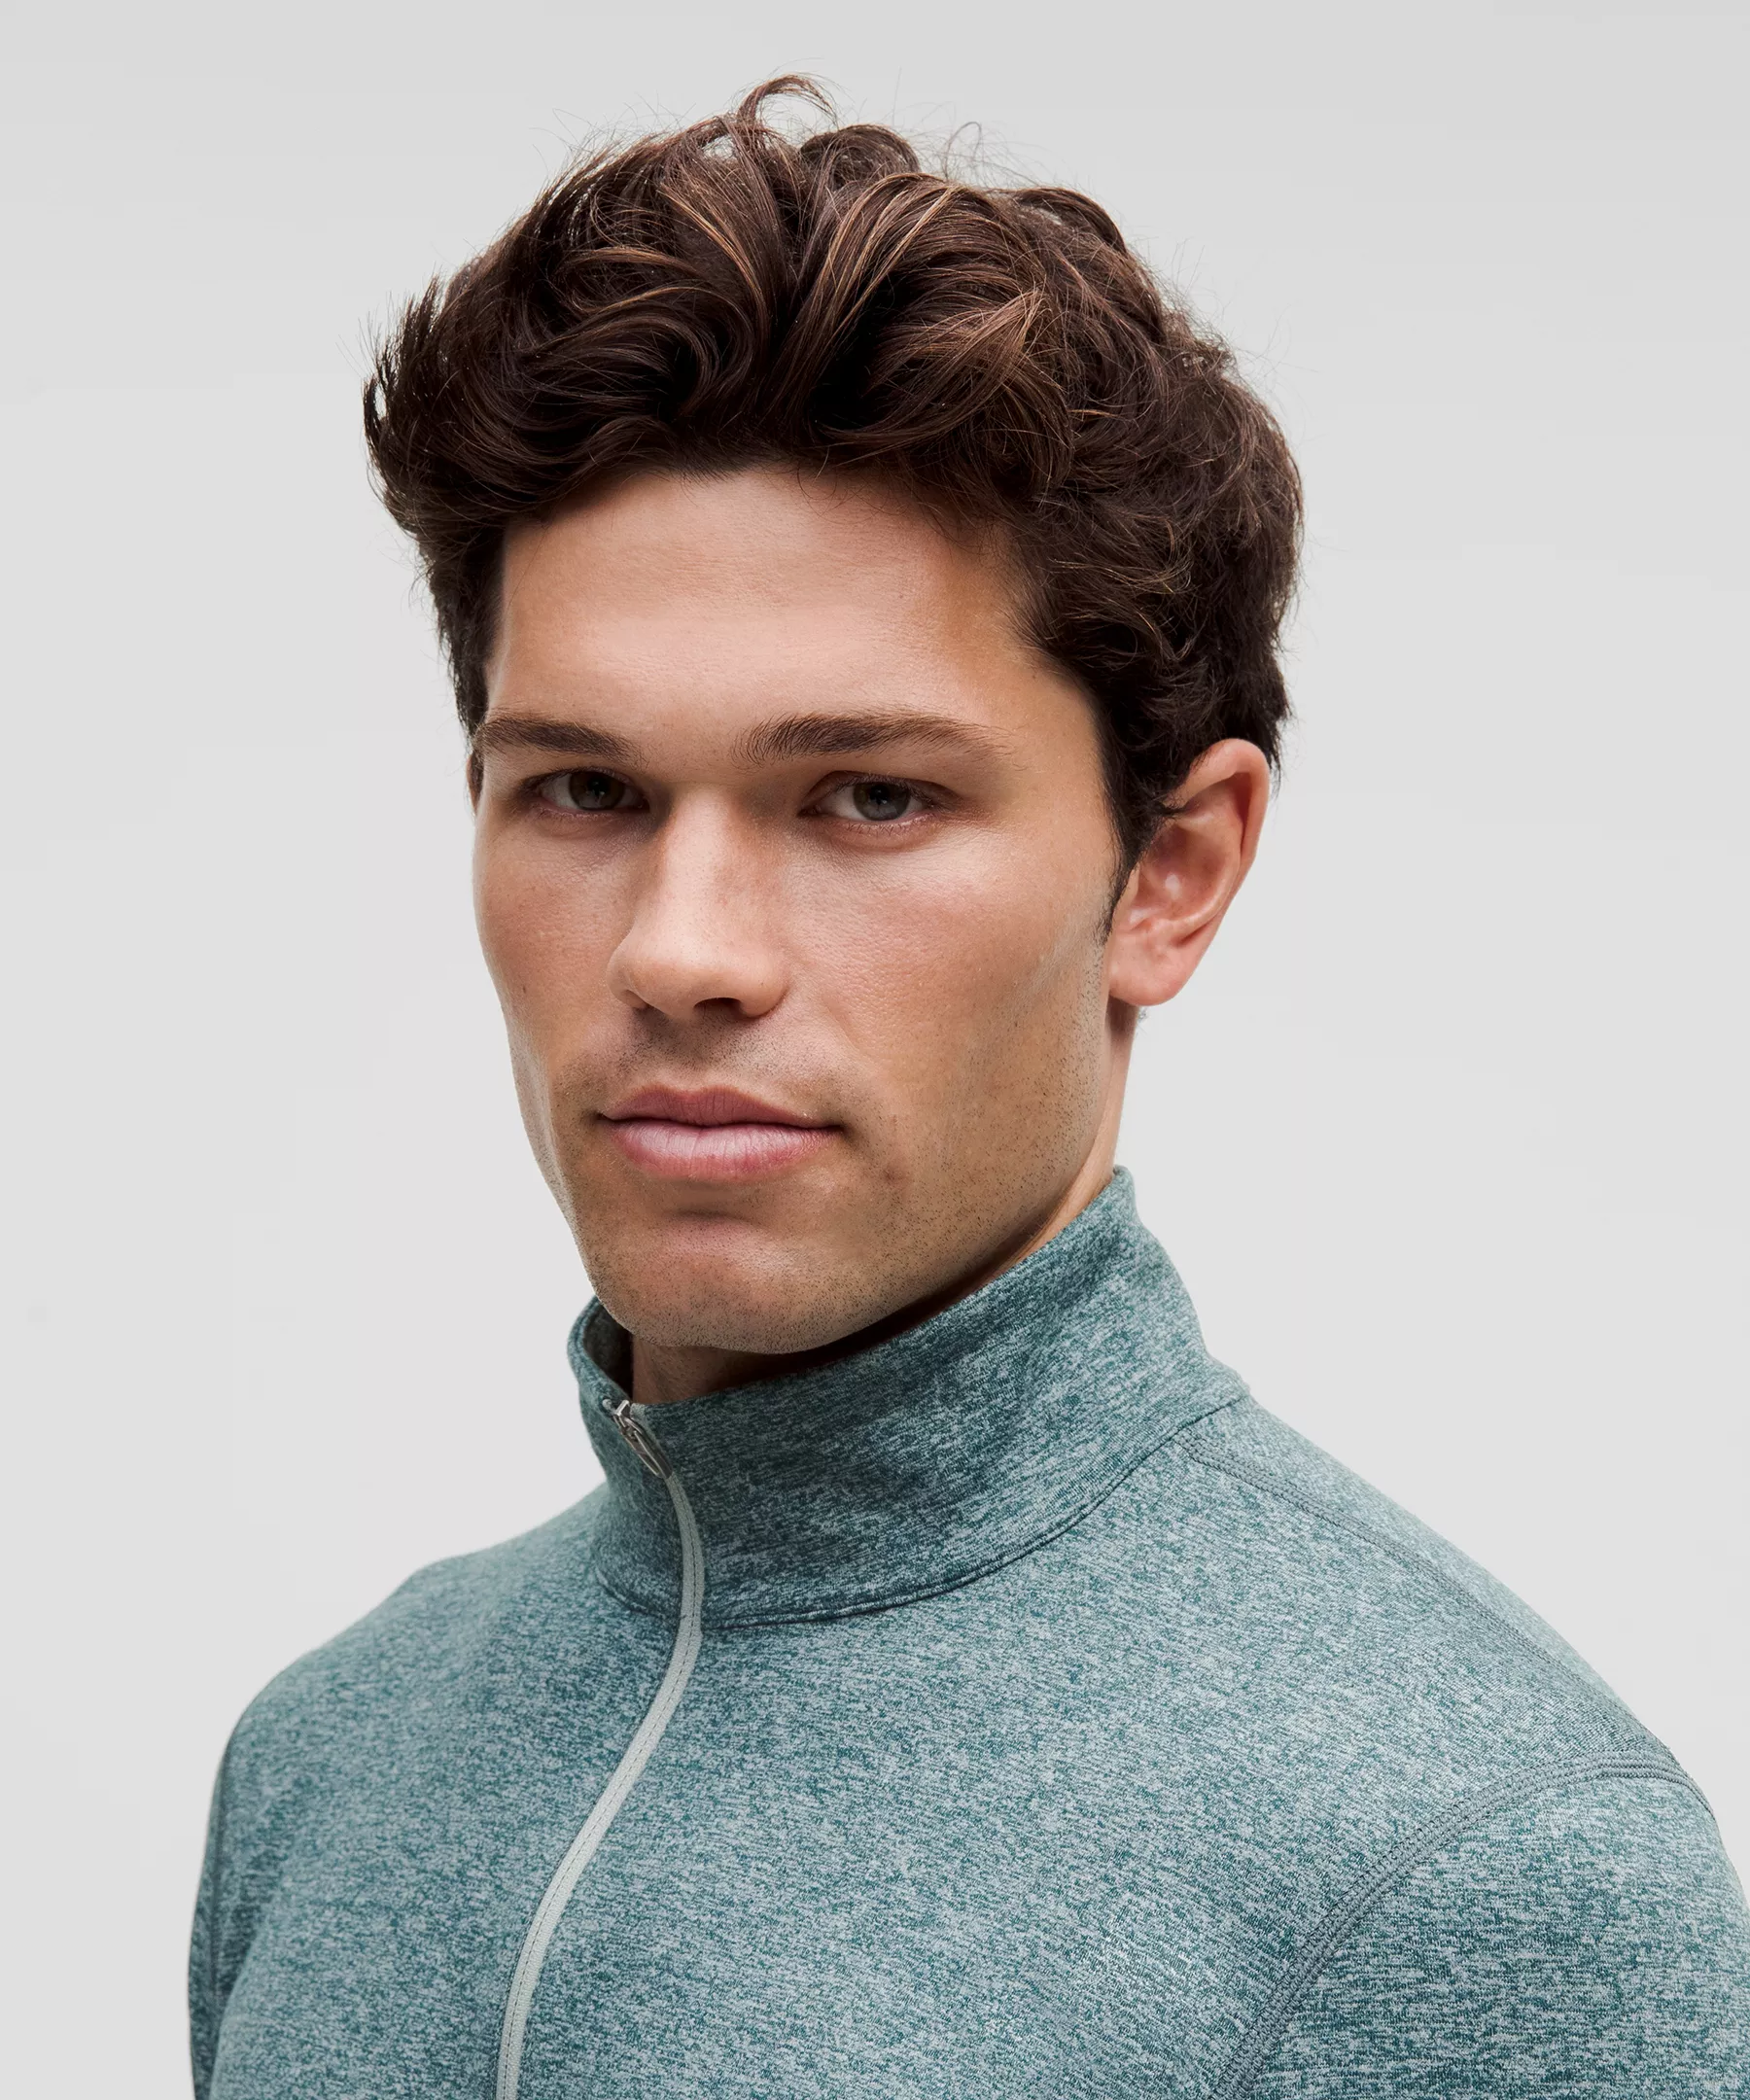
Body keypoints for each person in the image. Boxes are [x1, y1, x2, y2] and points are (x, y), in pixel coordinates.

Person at [189, 79, 1750, 2099]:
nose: (682, 950)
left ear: (1169, 874)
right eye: (583, 788)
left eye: (869, 798)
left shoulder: (1484, 1876)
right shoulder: (332, 1761)